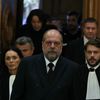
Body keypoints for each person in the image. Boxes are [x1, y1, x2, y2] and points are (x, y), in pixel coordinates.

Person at [10, 29, 80, 100]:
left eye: (56, 43)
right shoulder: (27, 64)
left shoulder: (72, 68)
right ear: (42, 44)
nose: (52, 46)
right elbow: (16, 96)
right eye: (48, 43)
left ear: (62, 46)